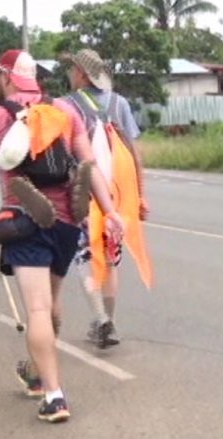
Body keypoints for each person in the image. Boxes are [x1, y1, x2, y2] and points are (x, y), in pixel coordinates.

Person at [0, 49, 124, 423]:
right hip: (68, 221)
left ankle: (54, 396)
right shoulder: (66, 111)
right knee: (51, 302)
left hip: (23, 221)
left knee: (36, 309)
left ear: (6, 77)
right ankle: (39, 375)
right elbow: (88, 166)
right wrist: (110, 211)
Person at [62, 49, 150, 348]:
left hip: (83, 194)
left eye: (72, 68)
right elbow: (134, 153)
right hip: (117, 195)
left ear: (82, 74)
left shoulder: (65, 106)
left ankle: (101, 319)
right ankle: (109, 323)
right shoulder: (119, 103)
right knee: (111, 260)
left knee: (86, 256)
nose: (69, 73)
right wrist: (141, 195)